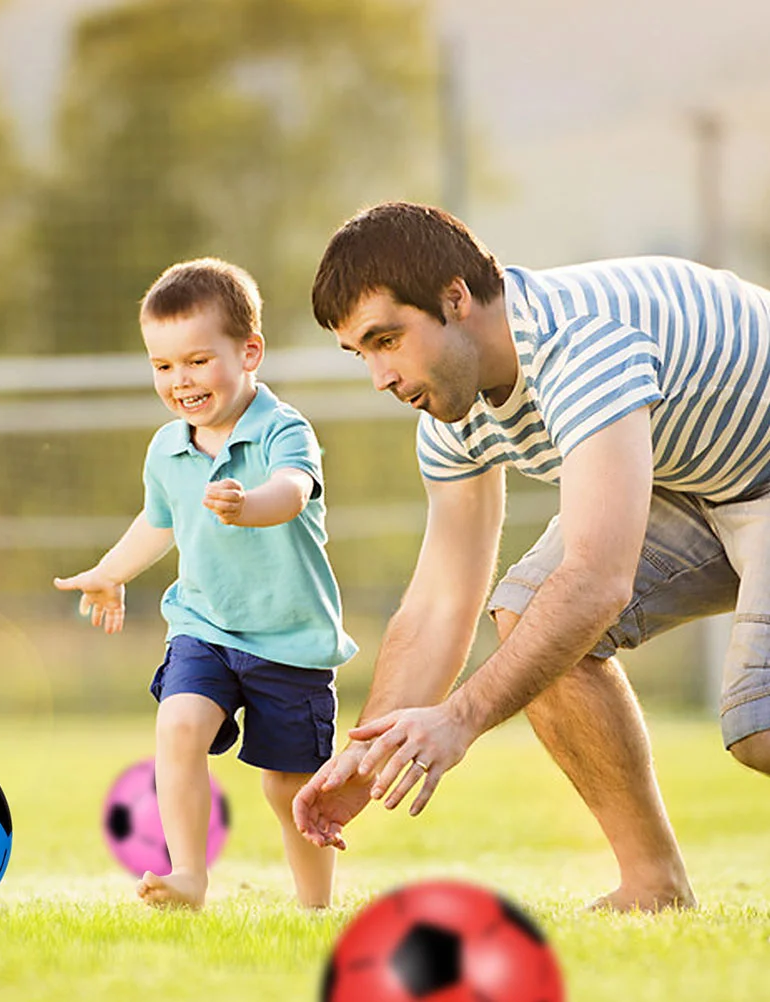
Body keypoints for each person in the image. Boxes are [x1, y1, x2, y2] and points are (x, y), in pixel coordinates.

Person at [292, 200, 770, 912]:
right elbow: (439, 602)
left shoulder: (582, 346)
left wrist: (460, 718)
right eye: (361, 353)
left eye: (386, 339)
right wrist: (371, 747)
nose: (380, 377)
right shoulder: (454, 409)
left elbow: (598, 580)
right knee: (529, 615)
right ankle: (653, 889)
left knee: (759, 728)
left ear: (456, 297)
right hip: (706, 482)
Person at [54, 258, 357, 910]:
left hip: (290, 640)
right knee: (179, 725)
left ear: (249, 352)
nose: (180, 381)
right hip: (204, 626)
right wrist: (110, 572)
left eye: (196, 361)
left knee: (289, 786)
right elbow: (158, 521)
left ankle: (313, 904)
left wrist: (248, 504)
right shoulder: (167, 448)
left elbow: (292, 491)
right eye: (163, 366)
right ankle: (189, 873)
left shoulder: (284, 429)